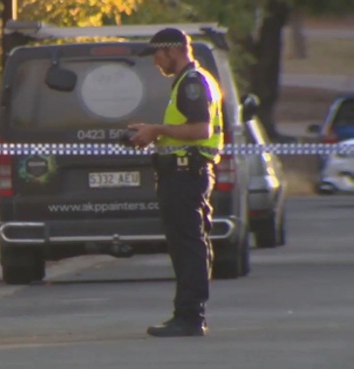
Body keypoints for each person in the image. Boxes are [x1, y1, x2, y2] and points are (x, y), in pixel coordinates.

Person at [128, 28, 224, 337]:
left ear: (173, 51)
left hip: (186, 175)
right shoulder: (189, 81)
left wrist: (156, 130)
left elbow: (199, 129)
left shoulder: (192, 83)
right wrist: (155, 131)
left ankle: (190, 316)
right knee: (186, 245)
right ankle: (187, 313)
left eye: (157, 54)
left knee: (188, 246)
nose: (156, 61)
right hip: (181, 174)